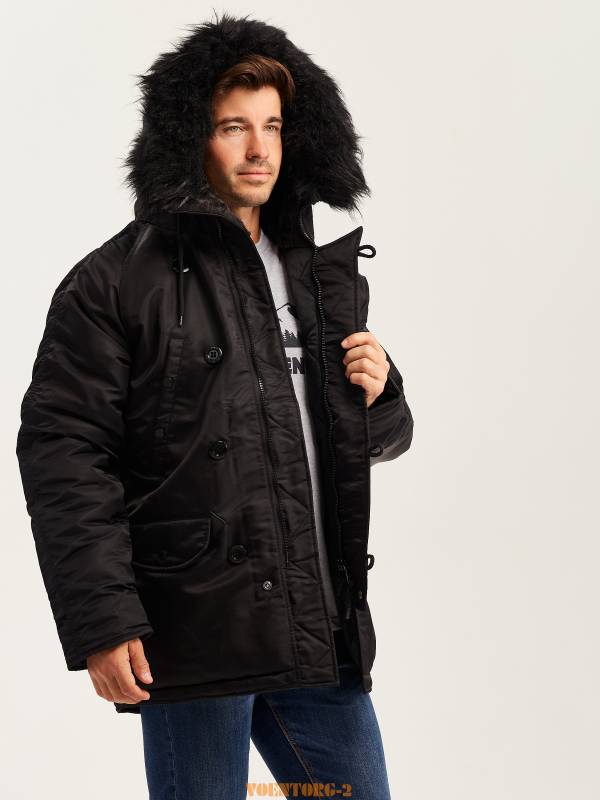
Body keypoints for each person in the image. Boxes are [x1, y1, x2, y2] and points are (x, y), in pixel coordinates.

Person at [16, 12, 414, 799]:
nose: (259, 148)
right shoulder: (114, 282)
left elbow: (359, 438)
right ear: (191, 138)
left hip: (317, 624)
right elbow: (64, 452)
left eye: (273, 126)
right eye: (235, 127)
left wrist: (383, 393)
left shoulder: (318, 277)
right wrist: (104, 620)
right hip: (194, 629)